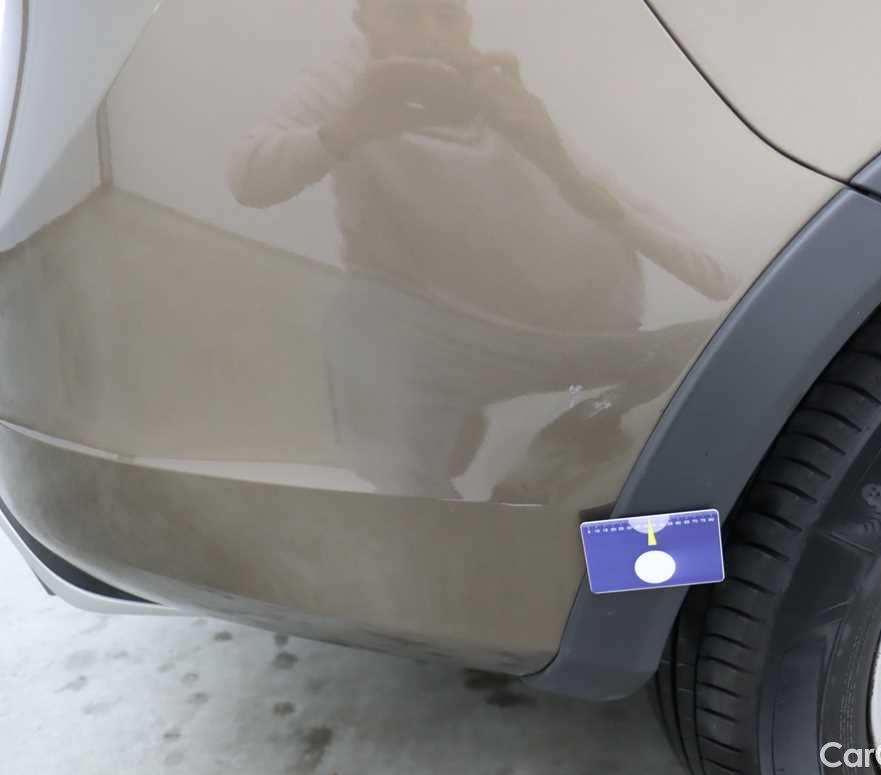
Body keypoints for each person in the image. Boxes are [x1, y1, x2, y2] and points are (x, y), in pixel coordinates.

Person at [228, 0, 734, 500]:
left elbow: (713, 277)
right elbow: (249, 178)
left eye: (447, 14)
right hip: (441, 344)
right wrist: (346, 130)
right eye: (405, 14)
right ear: (365, 21)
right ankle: (439, 519)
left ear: (469, 23)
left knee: (723, 353)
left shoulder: (500, 94)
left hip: (577, 348)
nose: (430, 32)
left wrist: (552, 157)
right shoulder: (349, 86)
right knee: (359, 320)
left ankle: (586, 486)